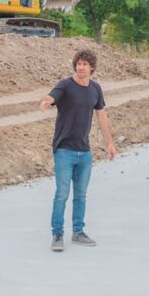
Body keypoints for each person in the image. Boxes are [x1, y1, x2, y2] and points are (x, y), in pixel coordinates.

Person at [39, 49, 117, 252]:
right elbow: (53, 95)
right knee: (62, 194)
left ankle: (78, 231)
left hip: (84, 151)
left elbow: (101, 115)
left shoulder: (95, 89)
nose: (81, 67)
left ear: (92, 67)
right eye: (78, 64)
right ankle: (57, 234)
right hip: (64, 149)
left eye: (85, 64)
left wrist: (109, 142)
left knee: (81, 195)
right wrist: (47, 101)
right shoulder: (65, 85)